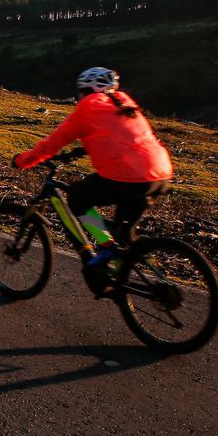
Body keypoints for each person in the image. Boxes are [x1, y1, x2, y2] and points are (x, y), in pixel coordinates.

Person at [12, 67, 173, 294]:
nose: (80, 96)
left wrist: (22, 161)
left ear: (85, 89)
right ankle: (124, 273)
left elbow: (51, 144)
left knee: (77, 199)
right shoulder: (124, 102)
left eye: (81, 91)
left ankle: (103, 250)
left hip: (127, 176)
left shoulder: (88, 107)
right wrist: (81, 150)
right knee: (124, 234)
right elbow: (123, 138)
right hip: (160, 173)